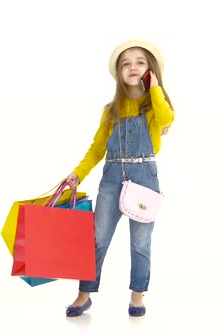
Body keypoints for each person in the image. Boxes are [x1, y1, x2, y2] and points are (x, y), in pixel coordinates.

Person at [64, 39, 174, 317]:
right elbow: (97, 147)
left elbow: (165, 117)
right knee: (97, 238)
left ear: (150, 70)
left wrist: (155, 87)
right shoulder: (110, 110)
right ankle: (84, 294)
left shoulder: (154, 107)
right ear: (118, 73)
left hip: (144, 178)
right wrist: (78, 173)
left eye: (140, 62)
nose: (132, 67)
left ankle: (137, 296)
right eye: (126, 64)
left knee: (140, 242)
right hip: (112, 177)